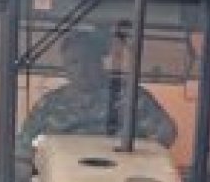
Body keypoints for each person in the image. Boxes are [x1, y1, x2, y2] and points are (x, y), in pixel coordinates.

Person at [16, 28, 177, 153]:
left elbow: (166, 134)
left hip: (121, 181)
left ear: (100, 62)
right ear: (65, 68)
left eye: (88, 60)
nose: (82, 69)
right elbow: (24, 149)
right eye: (74, 62)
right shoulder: (48, 105)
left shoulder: (131, 97)